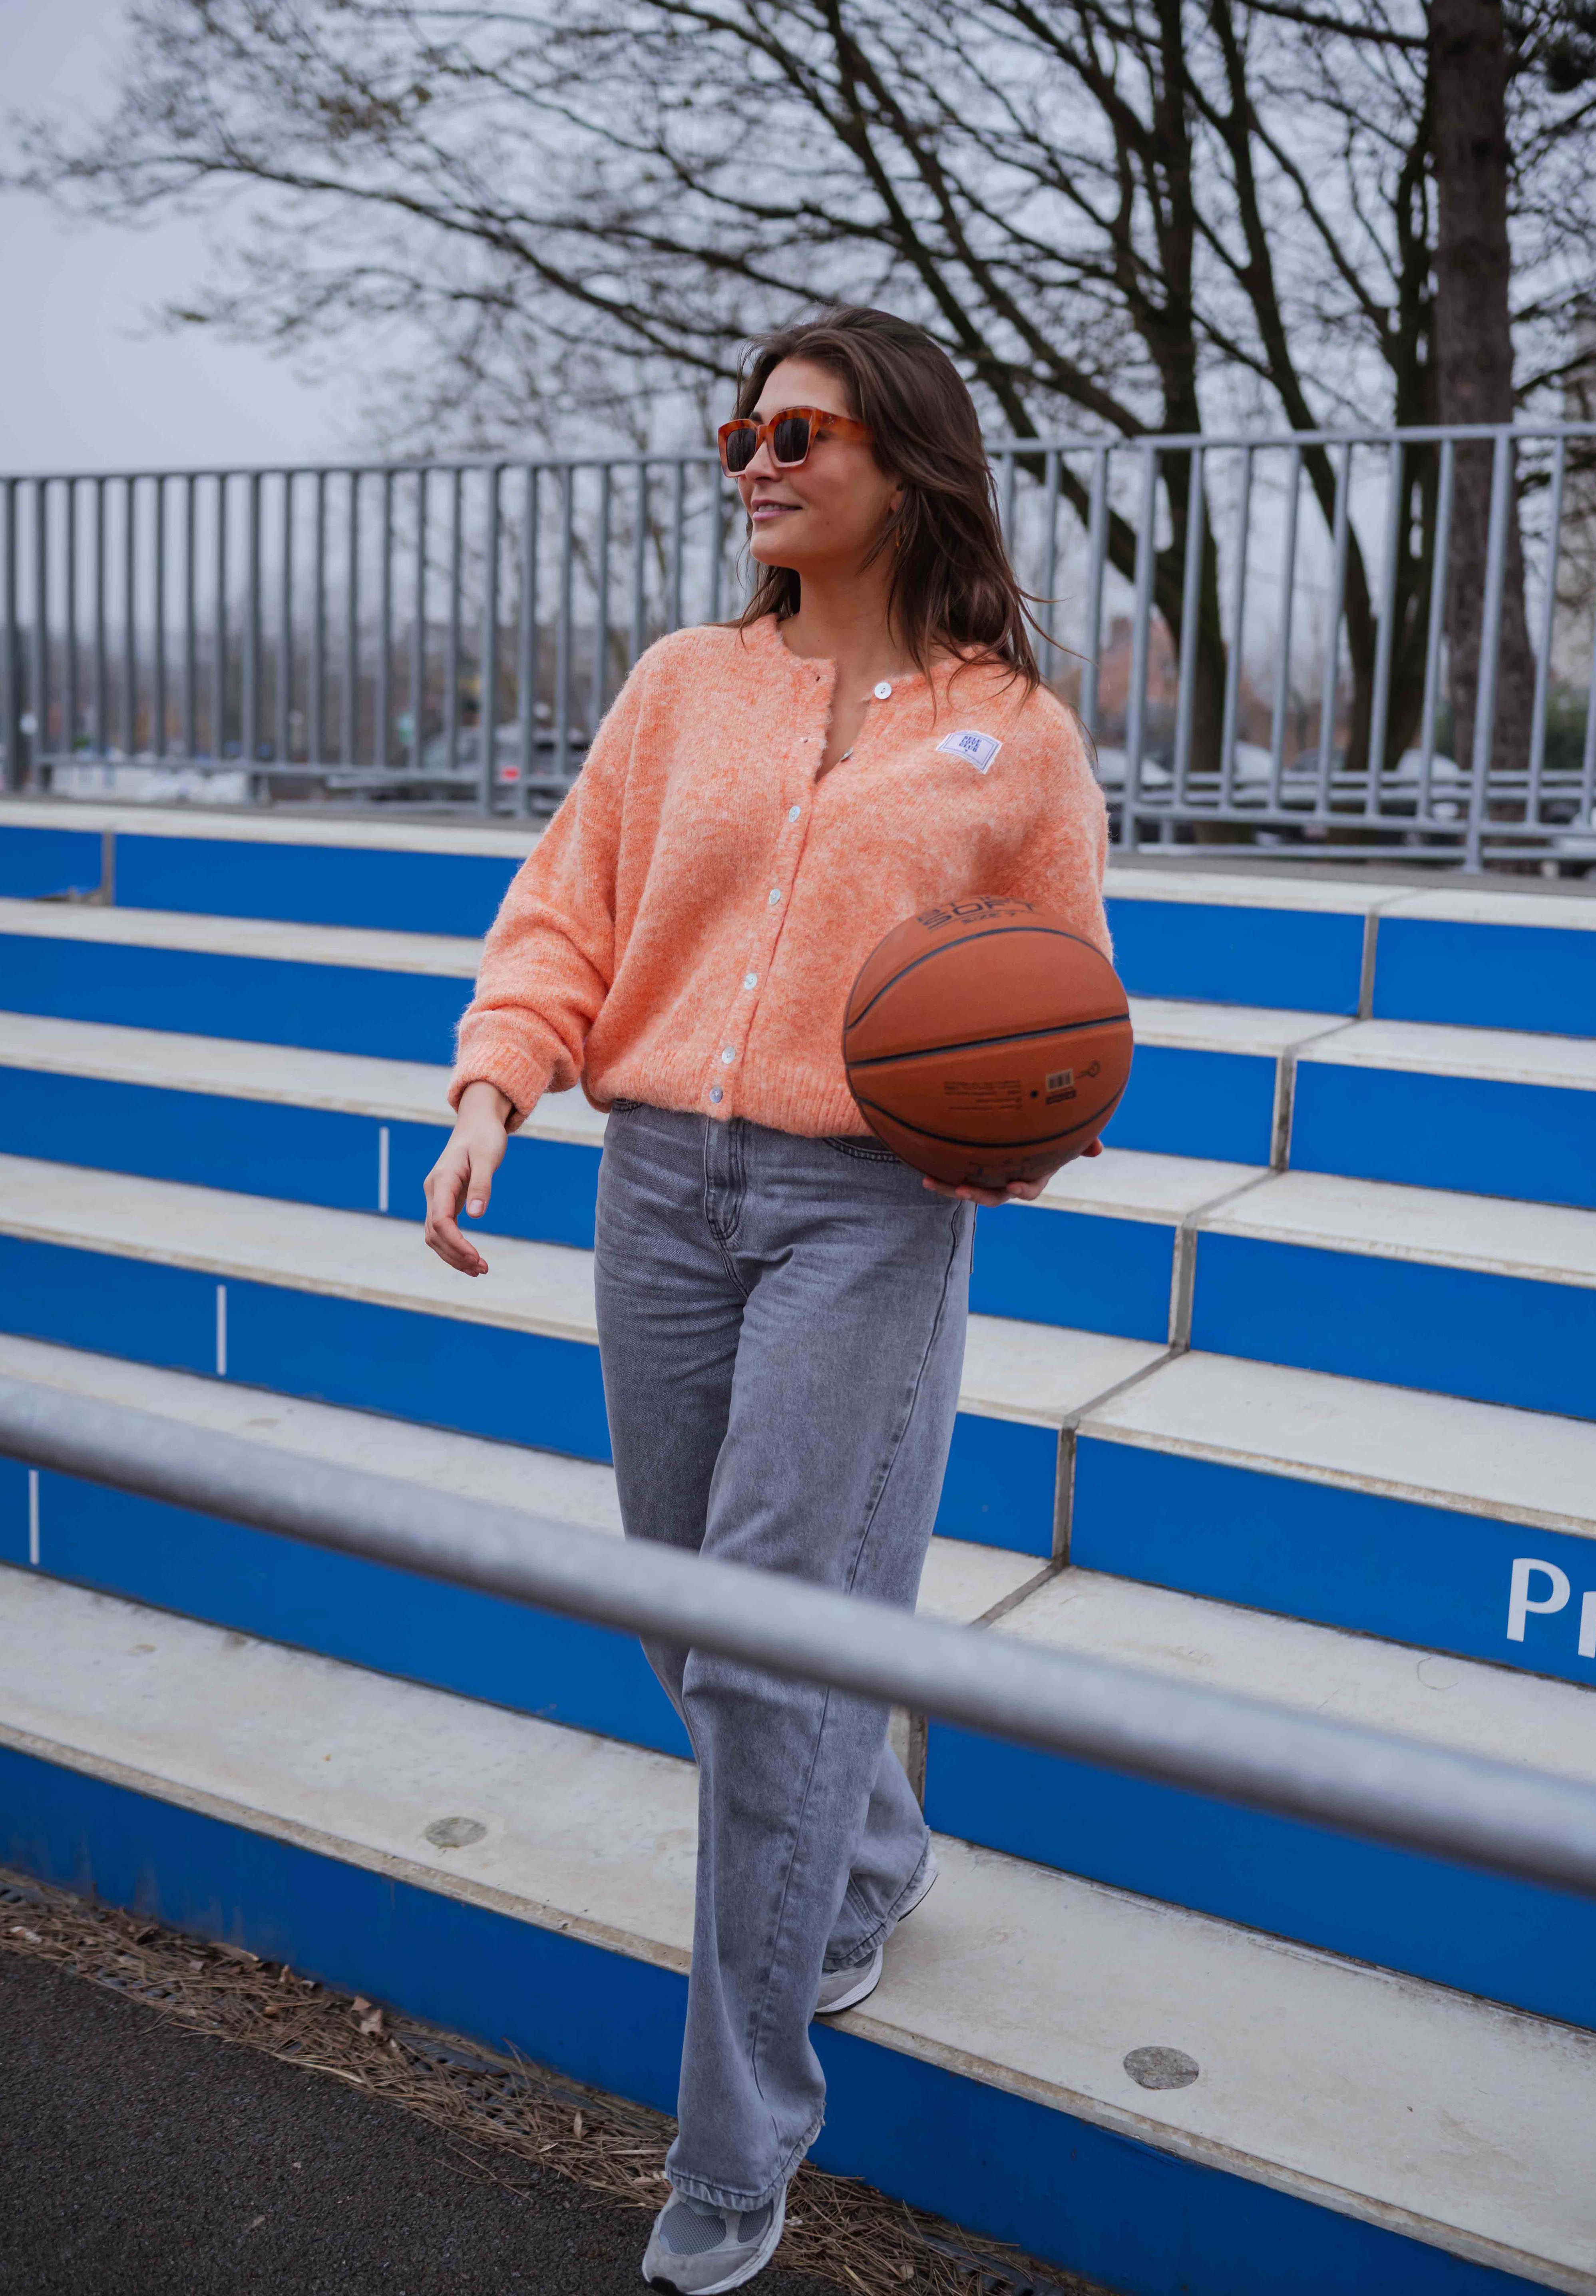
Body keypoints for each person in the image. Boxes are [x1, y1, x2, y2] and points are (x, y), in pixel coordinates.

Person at [423, 304, 1110, 2294]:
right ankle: (873, 1856)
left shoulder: (1015, 731)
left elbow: (1060, 1005)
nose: (759, 456)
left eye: (802, 428)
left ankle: (735, 2143)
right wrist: (495, 1086)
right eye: (744, 428)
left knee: (762, 1658)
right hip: (658, 1189)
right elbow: (568, 904)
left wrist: (1022, 1134)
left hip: (867, 1211)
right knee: (691, 1612)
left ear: (904, 459)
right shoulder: (681, 682)